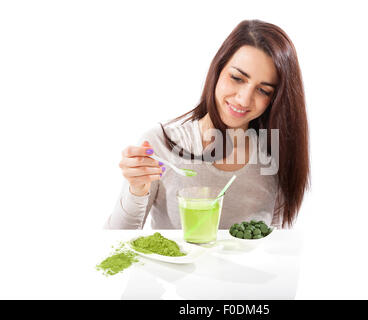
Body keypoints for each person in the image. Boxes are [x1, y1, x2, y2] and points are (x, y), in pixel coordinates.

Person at [104, 19, 309, 230]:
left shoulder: (273, 155)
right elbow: (114, 241)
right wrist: (137, 190)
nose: (244, 99)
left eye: (264, 90)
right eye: (237, 78)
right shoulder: (161, 145)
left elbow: (275, 246)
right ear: (217, 70)